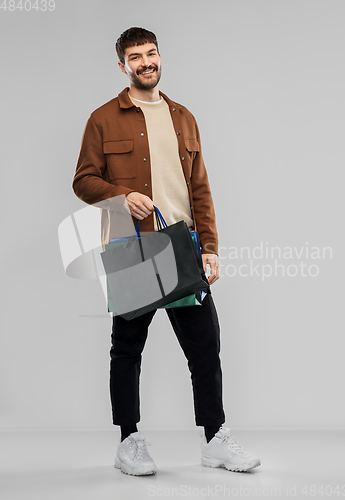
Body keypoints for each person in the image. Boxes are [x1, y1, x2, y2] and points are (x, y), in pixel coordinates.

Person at [73, 27, 261, 476]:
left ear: (160, 57)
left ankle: (215, 439)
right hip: (132, 247)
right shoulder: (102, 119)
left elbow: (200, 187)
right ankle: (128, 441)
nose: (145, 62)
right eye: (135, 57)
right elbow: (82, 180)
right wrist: (121, 195)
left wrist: (210, 248)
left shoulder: (184, 117)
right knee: (128, 349)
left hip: (183, 247)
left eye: (151, 53)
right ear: (123, 66)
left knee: (205, 347)